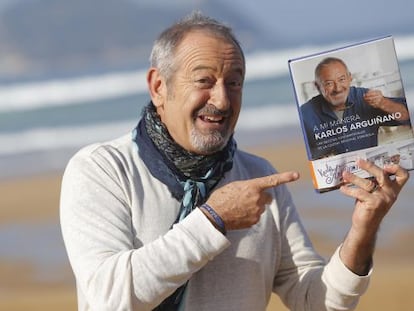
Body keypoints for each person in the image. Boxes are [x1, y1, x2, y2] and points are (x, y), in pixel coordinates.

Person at [60, 12, 410, 311]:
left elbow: (315, 300)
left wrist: (364, 228)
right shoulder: (102, 170)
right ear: (158, 87)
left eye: (234, 83)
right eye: (204, 81)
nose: (222, 99)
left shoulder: (258, 176)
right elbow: (107, 298)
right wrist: (214, 219)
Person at [300, 57, 411, 160]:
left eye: (342, 79)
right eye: (329, 83)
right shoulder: (304, 114)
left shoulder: (364, 97)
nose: (338, 88)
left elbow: (407, 115)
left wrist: (383, 103)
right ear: (317, 86)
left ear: (350, 78)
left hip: (369, 171)